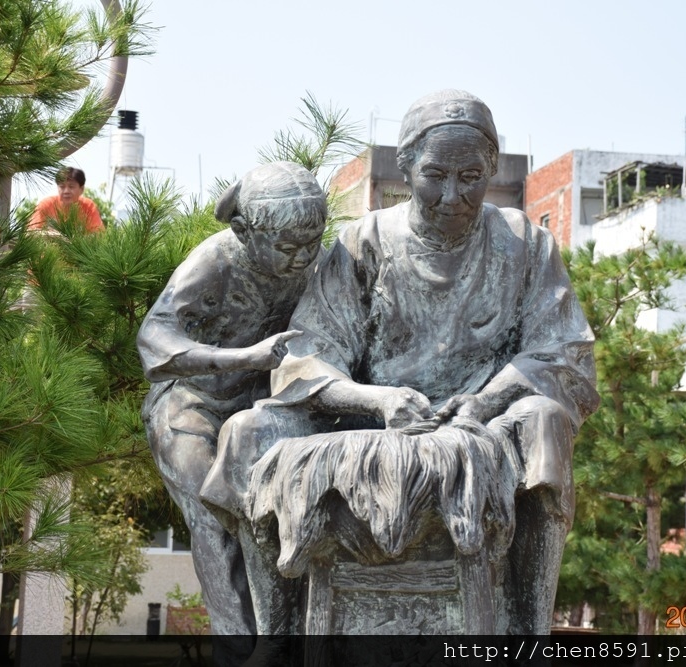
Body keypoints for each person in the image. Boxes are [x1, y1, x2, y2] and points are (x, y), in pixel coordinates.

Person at [201, 90, 600, 634]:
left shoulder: (525, 244)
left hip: (486, 424)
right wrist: (378, 399)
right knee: (248, 432)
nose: (452, 194)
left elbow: (563, 351)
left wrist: (486, 400)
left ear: (490, 171)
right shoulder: (364, 241)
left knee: (546, 424)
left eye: (471, 175)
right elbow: (307, 355)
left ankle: (527, 628)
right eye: (435, 174)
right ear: (407, 166)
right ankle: (276, 633)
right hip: (366, 420)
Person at [137, 161, 327, 636]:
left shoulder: (319, 264)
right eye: (287, 247)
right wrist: (242, 358)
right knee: (215, 510)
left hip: (270, 408)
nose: (302, 258)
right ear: (245, 231)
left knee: (294, 516)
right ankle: (237, 644)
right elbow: (155, 335)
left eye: (313, 242)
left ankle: (294, 634)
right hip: (191, 406)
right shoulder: (215, 260)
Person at [30, 167, 105, 233]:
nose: (66, 191)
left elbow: (98, 236)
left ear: (81, 189)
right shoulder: (45, 205)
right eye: (62, 186)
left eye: (71, 186)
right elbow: (31, 232)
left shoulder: (89, 207)